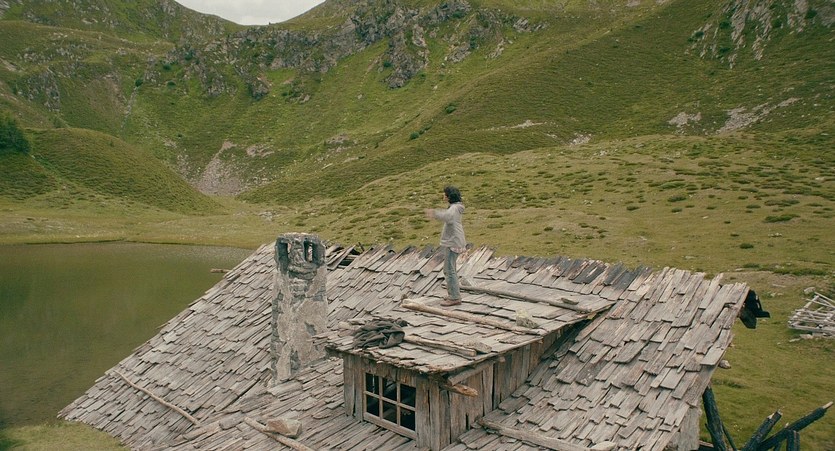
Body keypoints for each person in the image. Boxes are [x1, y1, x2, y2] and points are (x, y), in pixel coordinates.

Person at [425, 186, 466, 306]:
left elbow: (447, 217)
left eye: (445, 194)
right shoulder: (456, 207)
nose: (443, 196)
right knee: (450, 269)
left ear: (449, 196)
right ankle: (453, 294)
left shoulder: (454, 208)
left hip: (453, 242)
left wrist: (434, 213)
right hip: (454, 241)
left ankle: (454, 297)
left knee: (449, 270)